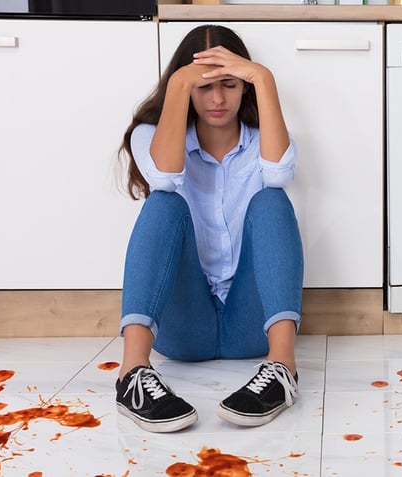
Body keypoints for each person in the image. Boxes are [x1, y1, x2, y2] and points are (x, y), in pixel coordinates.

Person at [115, 24, 303, 433]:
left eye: (230, 84)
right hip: (184, 330)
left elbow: (279, 171)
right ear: (184, 88)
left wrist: (264, 77)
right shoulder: (153, 135)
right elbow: (164, 178)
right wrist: (180, 84)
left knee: (272, 198)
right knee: (164, 201)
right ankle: (131, 375)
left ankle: (283, 368)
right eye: (203, 87)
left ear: (245, 87)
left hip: (252, 324)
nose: (217, 99)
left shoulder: (264, 138)